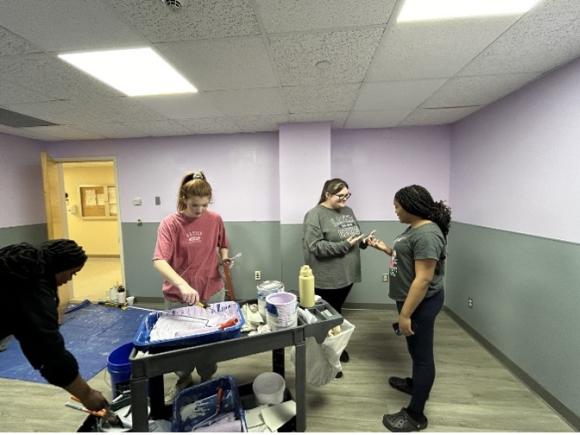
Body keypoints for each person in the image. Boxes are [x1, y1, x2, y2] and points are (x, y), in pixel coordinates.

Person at [367, 184, 451, 432]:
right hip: (411, 301)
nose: (395, 211)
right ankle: (415, 385)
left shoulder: (427, 234)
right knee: (415, 349)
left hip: (421, 304)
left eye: (397, 206)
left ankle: (416, 415)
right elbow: (408, 259)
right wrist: (385, 249)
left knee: (423, 357)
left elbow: (423, 279)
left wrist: (405, 315)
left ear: (411, 208)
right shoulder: (416, 228)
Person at [0, 239, 109, 413]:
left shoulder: (20, 263)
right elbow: (48, 352)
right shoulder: (33, 288)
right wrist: (86, 394)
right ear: (61, 266)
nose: (69, 280)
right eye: (72, 273)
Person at [153, 171, 231, 395]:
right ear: (183, 199)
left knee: (209, 342)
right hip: (180, 296)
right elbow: (159, 260)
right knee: (182, 344)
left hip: (211, 289)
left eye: (205, 205)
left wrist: (224, 258)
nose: (200, 210)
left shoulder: (215, 219)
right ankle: (183, 378)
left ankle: (208, 378)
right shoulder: (170, 223)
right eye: (195, 205)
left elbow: (222, 244)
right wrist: (182, 285)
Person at [302, 178, 368, 378]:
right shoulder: (314, 215)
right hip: (327, 278)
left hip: (347, 275)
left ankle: (334, 351)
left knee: (336, 314)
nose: (345, 199)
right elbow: (316, 247)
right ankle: (327, 360)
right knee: (325, 319)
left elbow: (354, 236)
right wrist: (345, 246)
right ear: (327, 195)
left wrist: (364, 241)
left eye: (347, 195)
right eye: (340, 196)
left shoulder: (347, 212)